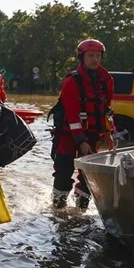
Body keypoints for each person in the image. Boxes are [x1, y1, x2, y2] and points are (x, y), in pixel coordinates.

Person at [52, 39, 116, 210]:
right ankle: (58, 209)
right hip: (68, 135)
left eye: (98, 56)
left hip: (93, 135)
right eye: (90, 55)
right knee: (63, 172)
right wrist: (81, 141)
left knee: (88, 176)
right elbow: (72, 116)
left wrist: (109, 133)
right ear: (82, 57)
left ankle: (81, 210)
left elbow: (106, 110)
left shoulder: (106, 81)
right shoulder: (71, 82)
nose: (95, 59)